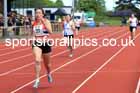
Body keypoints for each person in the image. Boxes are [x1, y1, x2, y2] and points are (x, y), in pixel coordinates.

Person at [32, 8, 53, 88]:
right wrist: (33, 40)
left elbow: (51, 32)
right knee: (37, 60)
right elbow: (33, 34)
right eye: (36, 13)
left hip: (46, 44)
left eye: (39, 13)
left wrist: (44, 22)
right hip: (37, 43)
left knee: (47, 64)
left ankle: (48, 73)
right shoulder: (33, 23)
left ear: (42, 14)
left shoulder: (46, 21)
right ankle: (37, 80)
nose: (37, 14)